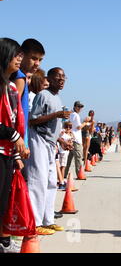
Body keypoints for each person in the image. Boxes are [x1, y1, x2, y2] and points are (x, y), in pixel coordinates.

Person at [25, 67, 71, 236]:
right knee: (38, 181)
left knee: (52, 182)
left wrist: (61, 141)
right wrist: (57, 114)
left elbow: (53, 124)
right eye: (58, 76)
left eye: (64, 77)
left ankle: (48, 220)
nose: (62, 79)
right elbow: (33, 120)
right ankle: (34, 223)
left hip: (51, 143)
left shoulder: (57, 98)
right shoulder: (42, 95)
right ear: (49, 79)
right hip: (39, 140)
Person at [0, 38, 28, 253]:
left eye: (20, 55)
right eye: (15, 55)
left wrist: (17, 154)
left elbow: (11, 119)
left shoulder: (10, 86)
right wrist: (13, 135)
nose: (20, 59)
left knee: (4, 202)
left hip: (8, 153)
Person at [65, 101, 88, 179]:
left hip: (71, 138)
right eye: (78, 107)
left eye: (81, 107)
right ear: (75, 106)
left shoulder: (71, 114)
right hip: (76, 139)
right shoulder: (76, 115)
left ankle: (63, 174)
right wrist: (85, 122)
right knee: (78, 157)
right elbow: (78, 127)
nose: (80, 108)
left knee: (69, 158)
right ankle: (79, 174)